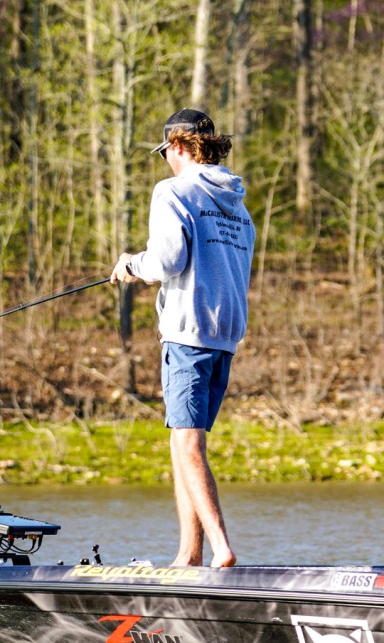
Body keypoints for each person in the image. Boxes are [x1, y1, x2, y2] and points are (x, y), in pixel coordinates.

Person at [111, 109, 254, 568]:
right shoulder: (238, 205)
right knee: (184, 442)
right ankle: (189, 554)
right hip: (224, 336)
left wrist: (131, 265)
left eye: (165, 153)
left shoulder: (173, 191)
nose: (166, 162)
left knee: (186, 444)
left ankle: (220, 548)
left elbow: (167, 261)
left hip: (188, 332)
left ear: (177, 147)